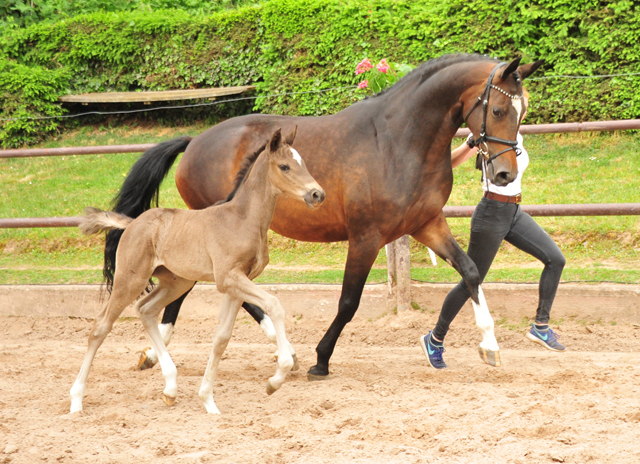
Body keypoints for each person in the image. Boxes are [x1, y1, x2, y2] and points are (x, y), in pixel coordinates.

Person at [420, 91, 566, 369]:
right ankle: (435, 339)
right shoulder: (489, 135)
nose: (516, 111)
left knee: (555, 259)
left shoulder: (515, 137)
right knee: (471, 281)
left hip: (513, 213)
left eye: (519, 108)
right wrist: (471, 145)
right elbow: (449, 162)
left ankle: (540, 326)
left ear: (524, 112)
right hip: (490, 214)